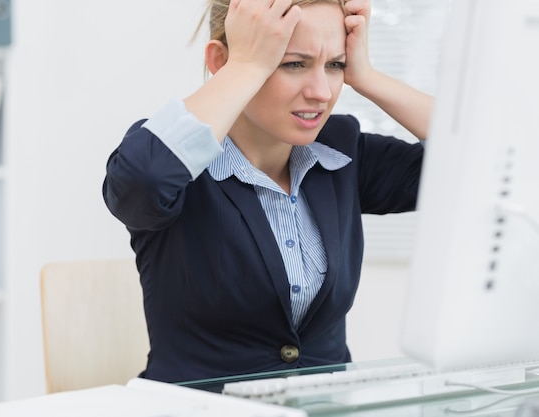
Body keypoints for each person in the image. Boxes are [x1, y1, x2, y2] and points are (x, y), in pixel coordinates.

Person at [102, 0, 433, 383]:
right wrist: (244, 67)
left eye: (334, 65)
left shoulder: (340, 150)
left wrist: (369, 76)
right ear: (223, 62)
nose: (321, 92)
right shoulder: (173, 161)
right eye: (293, 63)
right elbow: (142, 181)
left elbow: (479, 163)